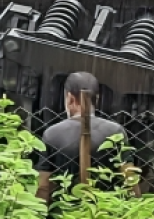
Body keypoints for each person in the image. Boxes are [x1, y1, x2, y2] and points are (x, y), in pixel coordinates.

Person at [35, 72, 130, 203]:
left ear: (69, 98)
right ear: (97, 98)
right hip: (105, 213)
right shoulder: (116, 131)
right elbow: (129, 178)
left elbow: (43, 186)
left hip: (64, 214)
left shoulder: (52, 134)